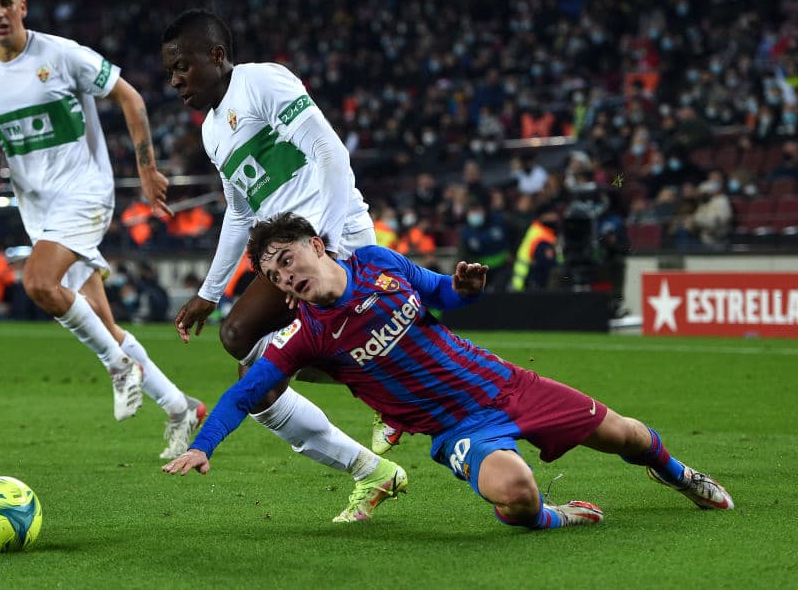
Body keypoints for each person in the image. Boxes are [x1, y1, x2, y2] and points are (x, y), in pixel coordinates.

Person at [163, 212, 735, 529]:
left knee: (629, 436)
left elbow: (443, 295)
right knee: (514, 494)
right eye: (277, 277)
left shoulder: (380, 263)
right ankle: (554, 518)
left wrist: (464, 289)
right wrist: (206, 442)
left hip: (506, 384)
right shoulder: (306, 337)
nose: (287, 278)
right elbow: (245, 394)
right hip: (461, 429)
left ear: (316, 244)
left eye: (288, 261)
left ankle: (678, 474)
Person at [160, 8, 406, 520]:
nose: (175, 80)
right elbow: (240, 211)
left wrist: (323, 239)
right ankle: (372, 467)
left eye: (182, 66)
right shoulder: (211, 132)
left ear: (217, 56)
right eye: (169, 72)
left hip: (332, 236)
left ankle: (384, 393)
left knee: (241, 339)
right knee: (262, 378)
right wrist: (209, 290)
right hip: (286, 255)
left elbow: (329, 151)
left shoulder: (262, 82)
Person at [0, 0, 203, 459]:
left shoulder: (61, 55)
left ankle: (118, 367)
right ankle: (180, 408)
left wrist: (147, 170)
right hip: (37, 207)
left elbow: (130, 97)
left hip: (85, 190)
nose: (0, 13)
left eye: (7, 2)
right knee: (99, 318)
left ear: (22, 6)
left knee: (38, 284)